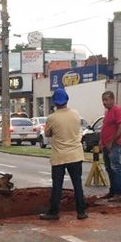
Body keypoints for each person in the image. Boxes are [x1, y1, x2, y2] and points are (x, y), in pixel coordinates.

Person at [39, 88, 88, 221]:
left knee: (57, 186)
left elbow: (48, 134)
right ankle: (81, 211)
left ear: (55, 102)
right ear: (67, 100)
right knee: (77, 184)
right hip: (75, 155)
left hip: (59, 156)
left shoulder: (52, 118)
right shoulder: (76, 114)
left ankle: (54, 212)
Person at [99, 91, 121, 203]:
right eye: (103, 100)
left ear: (112, 99)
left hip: (114, 144)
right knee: (109, 168)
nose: (104, 103)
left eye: (106, 100)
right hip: (106, 144)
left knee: (115, 167)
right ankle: (113, 191)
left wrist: (112, 141)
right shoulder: (108, 112)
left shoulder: (117, 110)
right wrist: (102, 141)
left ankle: (119, 193)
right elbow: (105, 127)